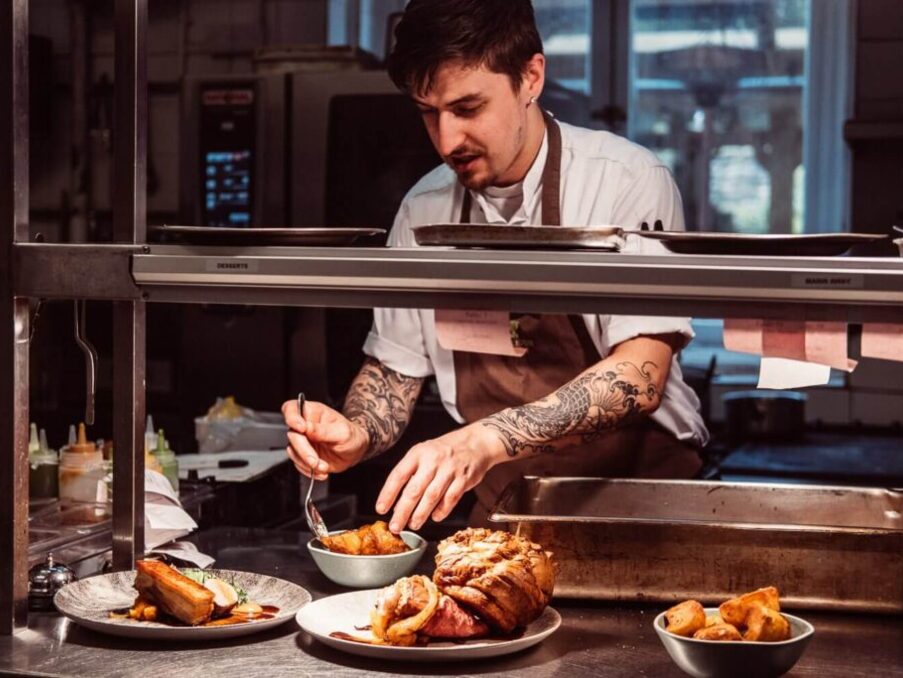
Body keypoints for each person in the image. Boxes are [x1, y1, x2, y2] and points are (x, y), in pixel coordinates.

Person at [283, 0, 709, 534]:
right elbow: (395, 368)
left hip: (640, 510)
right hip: (504, 517)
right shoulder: (423, 210)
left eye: (466, 108)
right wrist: (357, 433)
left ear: (531, 77)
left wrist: (486, 440)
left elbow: (639, 375)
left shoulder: (625, 181)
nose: (446, 141)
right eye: (427, 112)